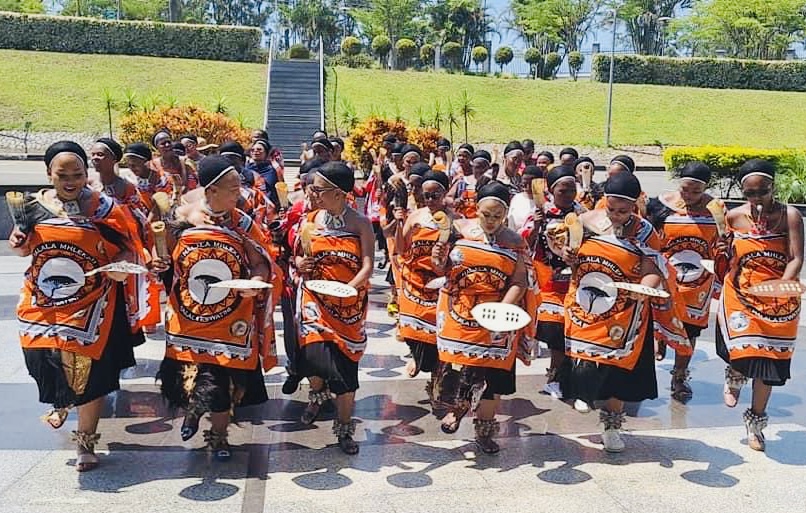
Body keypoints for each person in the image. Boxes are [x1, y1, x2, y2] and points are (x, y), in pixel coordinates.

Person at [12, 141, 146, 472]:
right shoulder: (32, 207)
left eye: (77, 174)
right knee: (39, 357)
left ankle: (85, 442)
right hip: (44, 300)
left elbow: (128, 248)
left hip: (92, 303)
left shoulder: (105, 208)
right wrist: (19, 242)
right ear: (49, 174)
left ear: (86, 174)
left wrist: (120, 266)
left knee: (90, 374)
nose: (71, 181)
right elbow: (24, 248)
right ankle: (63, 398)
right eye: (63, 175)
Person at [158, 156, 275, 461]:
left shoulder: (242, 223)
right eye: (233, 188)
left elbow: (261, 262)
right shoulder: (181, 217)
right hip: (189, 313)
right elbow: (162, 257)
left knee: (223, 378)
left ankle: (219, 437)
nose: (240, 193)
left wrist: (255, 283)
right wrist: (158, 261)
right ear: (211, 190)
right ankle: (194, 408)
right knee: (189, 371)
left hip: (231, 315)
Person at [562, 172, 685, 453]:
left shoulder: (645, 232)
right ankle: (583, 392)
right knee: (585, 357)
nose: (616, 216)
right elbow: (569, 253)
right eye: (611, 209)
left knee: (618, 372)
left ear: (635, 205)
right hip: (588, 302)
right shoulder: (585, 221)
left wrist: (643, 289)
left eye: (623, 211)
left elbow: (652, 270)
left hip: (626, 308)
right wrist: (567, 255)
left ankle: (612, 428)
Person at [431, 181, 536, 454]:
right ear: (476, 209)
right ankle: (458, 408)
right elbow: (441, 268)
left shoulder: (515, 242)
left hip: (497, 313)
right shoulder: (458, 230)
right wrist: (438, 258)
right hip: (459, 312)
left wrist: (501, 311)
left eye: (497, 216)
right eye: (485, 214)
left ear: (505, 214)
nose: (490, 221)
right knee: (460, 368)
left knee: (492, 377)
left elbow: (520, 281)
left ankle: (484, 432)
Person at [715, 159, 802, 452]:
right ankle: (735, 372)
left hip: (778, 296)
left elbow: (796, 258)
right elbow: (725, 258)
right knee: (742, 347)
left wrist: (781, 287)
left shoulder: (790, 215)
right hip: (741, 292)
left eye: (762, 191)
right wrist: (722, 250)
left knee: (769, 365)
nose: (756, 199)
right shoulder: (733, 216)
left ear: (773, 187)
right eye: (749, 194)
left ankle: (755, 424)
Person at [294, 162, 375, 455]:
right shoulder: (309, 221)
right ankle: (317, 394)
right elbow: (298, 258)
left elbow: (367, 266)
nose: (312, 194)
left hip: (349, 306)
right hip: (314, 301)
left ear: (339, 193)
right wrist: (300, 264)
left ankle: (344, 428)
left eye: (318, 190)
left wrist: (348, 288)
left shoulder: (361, 224)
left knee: (343, 372)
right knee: (313, 355)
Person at [645, 162, 721, 402]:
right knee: (658, 320)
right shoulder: (661, 205)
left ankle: (679, 376)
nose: (688, 195)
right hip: (666, 277)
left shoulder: (716, 210)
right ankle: (660, 340)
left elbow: (724, 241)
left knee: (689, 331)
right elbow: (648, 237)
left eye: (695, 191)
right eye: (684, 189)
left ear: (706, 188)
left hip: (698, 283)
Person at [521, 165, 586, 405]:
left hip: (576, 279)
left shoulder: (583, 214)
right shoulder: (542, 213)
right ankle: (555, 377)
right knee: (555, 329)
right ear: (551, 190)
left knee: (574, 330)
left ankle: (565, 378)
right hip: (548, 281)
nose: (568, 195)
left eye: (572, 190)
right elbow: (524, 243)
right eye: (563, 190)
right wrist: (537, 226)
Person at [395, 169, 451, 405]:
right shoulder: (415, 216)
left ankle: (437, 380)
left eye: (435, 195)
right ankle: (417, 357)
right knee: (411, 331)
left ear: (445, 194)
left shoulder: (455, 220)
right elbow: (401, 248)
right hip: (415, 281)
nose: (430, 200)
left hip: (440, 283)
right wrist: (399, 222)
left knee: (439, 337)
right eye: (425, 195)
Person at [447, 149, 489, 219]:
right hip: (462, 219)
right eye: (477, 167)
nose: (481, 170)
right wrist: (456, 201)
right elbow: (448, 198)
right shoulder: (462, 181)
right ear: (473, 167)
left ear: (488, 168)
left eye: (484, 167)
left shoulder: (492, 184)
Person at [246, 138, 281, 207]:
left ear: (266, 153)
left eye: (259, 149)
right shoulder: (246, 168)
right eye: (252, 150)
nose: (255, 151)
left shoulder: (272, 170)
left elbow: (276, 190)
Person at [507, 164, 540, 230]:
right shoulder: (517, 198)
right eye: (525, 183)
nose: (528, 187)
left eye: (530, 184)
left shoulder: (545, 201)